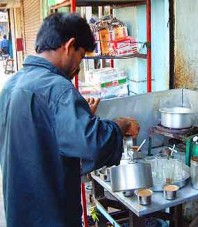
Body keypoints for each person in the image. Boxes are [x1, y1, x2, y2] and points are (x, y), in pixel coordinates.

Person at [0, 13, 139, 227]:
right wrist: (122, 125)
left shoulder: (10, 86)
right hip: (52, 214)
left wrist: (81, 116)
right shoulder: (58, 89)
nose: (79, 68)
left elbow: (40, 138)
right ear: (70, 45)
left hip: (20, 212)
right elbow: (94, 144)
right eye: (81, 56)